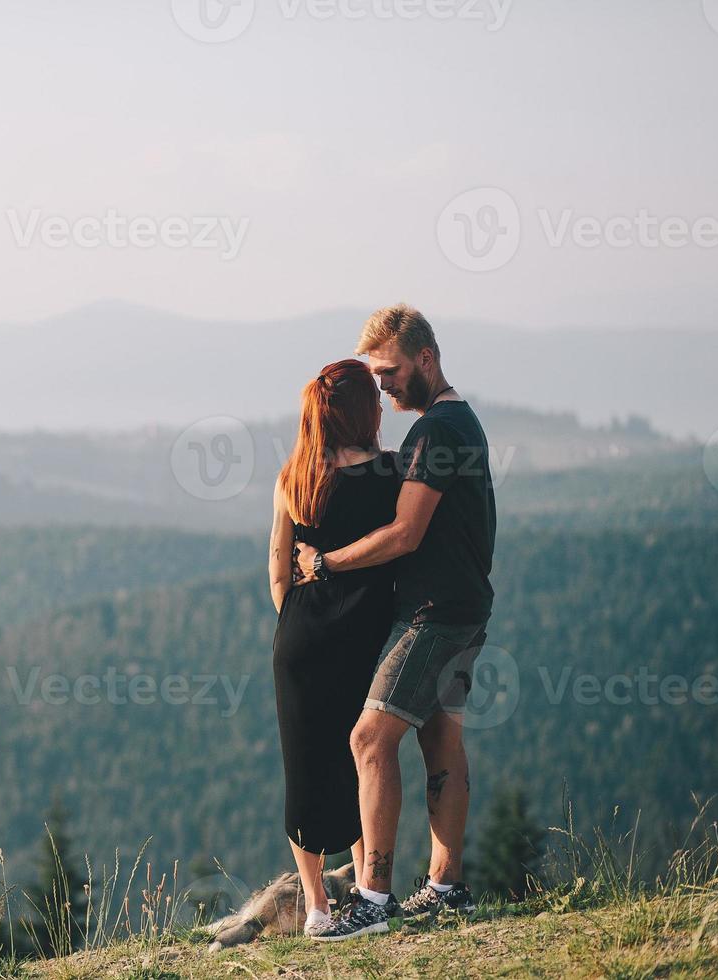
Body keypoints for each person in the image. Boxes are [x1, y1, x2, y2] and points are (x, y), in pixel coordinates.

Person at [297, 304, 496, 941]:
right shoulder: (462, 421)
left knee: (368, 741)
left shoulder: (436, 431)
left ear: (425, 360)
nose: (381, 384)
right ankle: (444, 888)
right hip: (467, 606)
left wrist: (326, 562)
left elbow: (406, 533)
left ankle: (373, 902)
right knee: (441, 743)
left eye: (389, 372)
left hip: (434, 613)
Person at [269, 357, 402, 937]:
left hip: (300, 638)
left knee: (304, 765)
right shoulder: (394, 474)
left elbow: (278, 567)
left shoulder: (295, 476)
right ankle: (367, 891)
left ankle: (318, 906)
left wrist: (298, 619)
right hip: (365, 638)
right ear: (363, 411)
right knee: (362, 760)